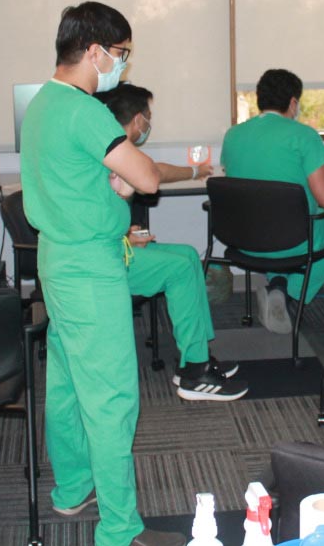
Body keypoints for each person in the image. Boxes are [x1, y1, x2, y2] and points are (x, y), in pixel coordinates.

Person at [19, 1, 189, 546]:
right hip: (90, 268)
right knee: (113, 399)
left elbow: (85, 175)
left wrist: (112, 183)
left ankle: (72, 490)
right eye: (119, 55)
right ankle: (120, 531)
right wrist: (129, 180)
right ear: (93, 51)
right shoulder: (85, 109)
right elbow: (146, 177)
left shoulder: (43, 101)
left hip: (56, 262)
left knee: (68, 387)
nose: (122, 66)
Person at [93, 82, 245, 397]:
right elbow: (149, 178)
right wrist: (122, 235)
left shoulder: (112, 146)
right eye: (147, 117)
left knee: (189, 255)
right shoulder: (107, 149)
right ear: (137, 120)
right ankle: (195, 376)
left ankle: (196, 358)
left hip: (113, 244)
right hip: (103, 259)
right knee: (178, 270)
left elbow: (154, 171)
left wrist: (194, 172)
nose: (149, 124)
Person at [221, 69, 324, 333]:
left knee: (284, 224)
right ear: (293, 102)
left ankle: (277, 281)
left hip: (243, 239)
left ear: (260, 99)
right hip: (292, 242)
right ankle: (288, 293)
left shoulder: (233, 135)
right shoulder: (303, 136)